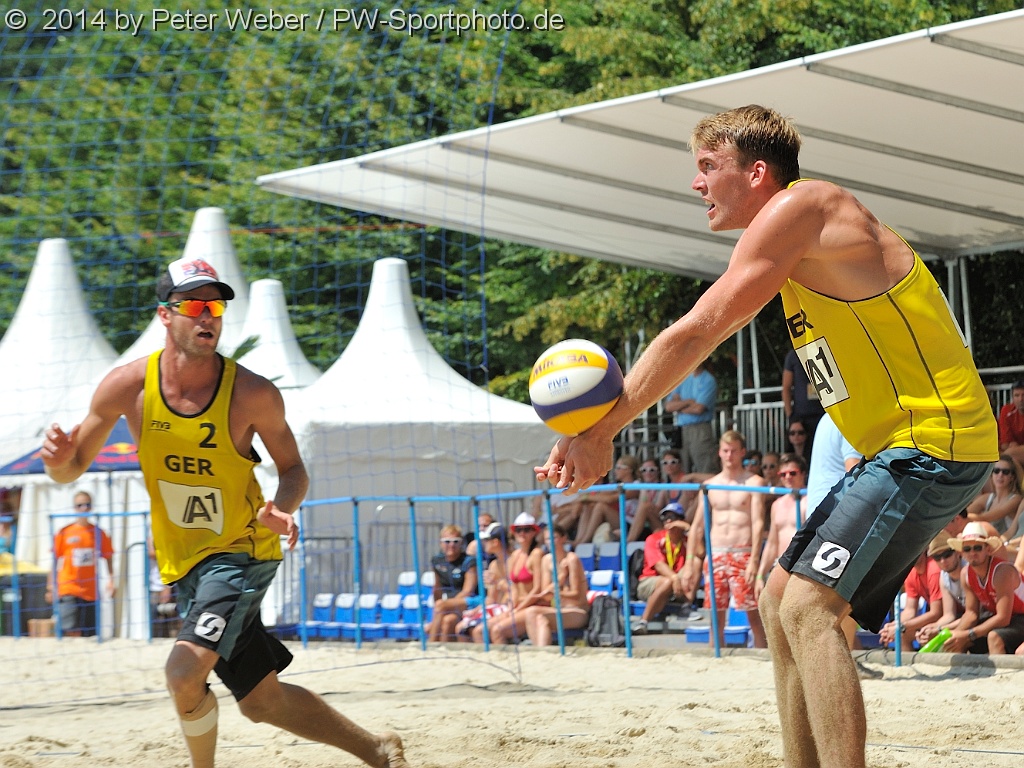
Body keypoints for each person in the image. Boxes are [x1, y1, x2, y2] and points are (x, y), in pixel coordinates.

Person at [535, 105, 997, 768]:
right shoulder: (800, 242)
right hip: (904, 447)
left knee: (808, 607)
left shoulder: (803, 207)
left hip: (933, 443)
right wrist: (590, 429)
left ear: (756, 172)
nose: (696, 182)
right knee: (777, 599)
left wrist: (601, 429)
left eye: (708, 166)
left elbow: (698, 332)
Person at [40, 257, 408, 768]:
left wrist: (280, 508)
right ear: (165, 314)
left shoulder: (252, 393)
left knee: (183, 672)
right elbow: (70, 469)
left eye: (214, 306)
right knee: (261, 702)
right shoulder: (128, 386)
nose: (207, 315)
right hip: (184, 562)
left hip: (241, 552)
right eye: (194, 305)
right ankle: (377, 749)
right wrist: (56, 461)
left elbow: (294, 470)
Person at [682, 431, 766, 648]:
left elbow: (758, 522)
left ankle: (763, 658)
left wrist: (755, 559)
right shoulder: (710, 485)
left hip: (742, 551)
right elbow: (697, 526)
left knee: (753, 613)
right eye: (726, 451)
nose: (729, 455)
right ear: (719, 452)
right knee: (715, 614)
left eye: (734, 451)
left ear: (742, 452)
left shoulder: (754, 482)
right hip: (716, 552)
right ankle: (716, 657)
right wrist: (690, 562)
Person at [941, 522, 1024, 655]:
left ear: (988, 550)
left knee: (994, 637)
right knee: (957, 641)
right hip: (1011, 619)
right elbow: (971, 614)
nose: (972, 553)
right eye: (967, 549)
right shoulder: (965, 574)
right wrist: (953, 635)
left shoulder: (1002, 572)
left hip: (1018, 617)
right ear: (961, 553)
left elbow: (1003, 618)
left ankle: (1000, 670)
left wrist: (967, 635)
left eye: (978, 548)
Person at [46, 491, 114, 638]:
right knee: (68, 630)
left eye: (87, 504)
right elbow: (54, 561)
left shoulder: (99, 533)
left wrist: (111, 580)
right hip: (68, 587)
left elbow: (108, 557)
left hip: (90, 590)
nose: (84, 508)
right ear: (74, 507)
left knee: (90, 633)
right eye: (80, 505)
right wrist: (50, 587)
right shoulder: (65, 532)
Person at [521, 524, 590, 646]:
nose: (551, 542)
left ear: (563, 538)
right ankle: (539, 650)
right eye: (547, 539)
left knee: (542, 619)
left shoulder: (571, 559)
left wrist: (555, 592)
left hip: (577, 610)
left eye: (554, 538)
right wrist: (562, 577)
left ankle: (543, 651)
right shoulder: (547, 560)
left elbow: (576, 594)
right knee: (530, 613)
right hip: (559, 608)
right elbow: (546, 594)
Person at [631, 502, 691, 635]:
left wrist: (688, 529)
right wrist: (674, 578)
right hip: (649, 581)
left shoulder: (687, 540)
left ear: (681, 520)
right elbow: (658, 564)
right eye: (665, 518)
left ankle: (687, 605)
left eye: (672, 517)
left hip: (677, 581)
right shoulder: (653, 539)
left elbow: (701, 552)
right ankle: (644, 621)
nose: (668, 521)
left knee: (694, 564)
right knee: (667, 582)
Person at [487, 512, 544, 644]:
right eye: (518, 530)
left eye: (526, 530)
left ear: (534, 532)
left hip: (532, 605)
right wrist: (511, 607)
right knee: (481, 629)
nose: (522, 533)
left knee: (497, 630)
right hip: (518, 606)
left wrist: (517, 609)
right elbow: (514, 589)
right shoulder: (515, 555)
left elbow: (537, 589)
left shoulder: (536, 554)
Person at [755, 454, 807, 594]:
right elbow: (772, 543)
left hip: (802, 568)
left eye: (793, 473)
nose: (788, 477)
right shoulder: (777, 505)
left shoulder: (810, 501)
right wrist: (760, 575)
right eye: (783, 474)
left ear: (803, 473)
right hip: (780, 566)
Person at [877, 549, 942, 651]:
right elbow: (910, 610)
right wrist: (893, 625)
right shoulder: (911, 573)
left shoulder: (933, 570)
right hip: (939, 619)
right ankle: (908, 662)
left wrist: (901, 627)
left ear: (923, 549)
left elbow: (936, 613)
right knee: (901, 635)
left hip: (951, 618)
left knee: (905, 632)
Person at [459, 522, 511, 642]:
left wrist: (497, 582)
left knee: (478, 631)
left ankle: (492, 653)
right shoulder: (494, 565)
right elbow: (491, 598)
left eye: (486, 540)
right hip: (498, 606)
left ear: (495, 542)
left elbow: (515, 591)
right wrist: (475, 610)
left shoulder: (512, 561)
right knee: (461, 627)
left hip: (510, 607)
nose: (483, 543)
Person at [572, 455, 641, 545]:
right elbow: (602, 496)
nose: (615, 471)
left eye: (619, 468)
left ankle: (585, 541)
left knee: (601, 506)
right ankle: (578, 540)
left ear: (629, 470)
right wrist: (583, 500)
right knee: (588, 506)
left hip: (631, 524)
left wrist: (585, 498)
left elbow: (610, 499)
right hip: (621, 519)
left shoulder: (635, 485)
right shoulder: (619, 485)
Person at [915, 533, 971, 646]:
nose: (943, 561)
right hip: (968, 618)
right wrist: (930, 628)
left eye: (947, 554)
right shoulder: (943, 577)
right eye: (937, 557)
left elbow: (974, 615)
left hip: (984, 618)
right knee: (929, 636)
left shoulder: (969, 571)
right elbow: (949, 615)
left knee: (951, 641)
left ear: (957, 552)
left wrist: (939, 629)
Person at [426, 525, 478, 643]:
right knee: (447, 621)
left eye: (456, 541)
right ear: (440, 543)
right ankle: (442, 650)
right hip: (449, 605)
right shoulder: (437, 561)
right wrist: (443, 609)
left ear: (461, 543)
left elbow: (468, 591)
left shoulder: (469, 561)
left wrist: (446, 605)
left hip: (469, 602)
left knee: (440, 606)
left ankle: (430, 645)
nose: (451, 545)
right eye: (447, 541)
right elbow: (437, 589)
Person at [664, 363, 718, 473]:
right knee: (681, 468)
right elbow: (669, 406)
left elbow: (698, 409)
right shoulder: (682, 379)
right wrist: (689, 402)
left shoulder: (708, 380)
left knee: (705, 467)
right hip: (682, 430)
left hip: (700, 429)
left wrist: (679, 407)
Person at [966, 456, 1022, 536]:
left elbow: (987, 517)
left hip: (1007, 541)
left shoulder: (1016, 499)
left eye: (1005, 472)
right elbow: (967, 512)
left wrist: (963, 517)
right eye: (996, 471)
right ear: (991, 474)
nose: (1000, 475)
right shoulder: (987, 498)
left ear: (1012, 477)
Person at [782, 348, 825, 448]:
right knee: (800, 449)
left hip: (824, 413)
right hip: (802, 415)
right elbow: (786, 387)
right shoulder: (793, 355)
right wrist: (790, 415)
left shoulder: (824, 348)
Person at [997, 381, 1024, 465]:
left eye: (1023, 395)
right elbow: (1005, 444)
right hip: (1012, 453)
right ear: (1012, 397)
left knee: (1008, 457)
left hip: (1011, 453)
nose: (1021, 399)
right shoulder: (1007, 410)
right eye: (1017, 395)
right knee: (1012, 458)